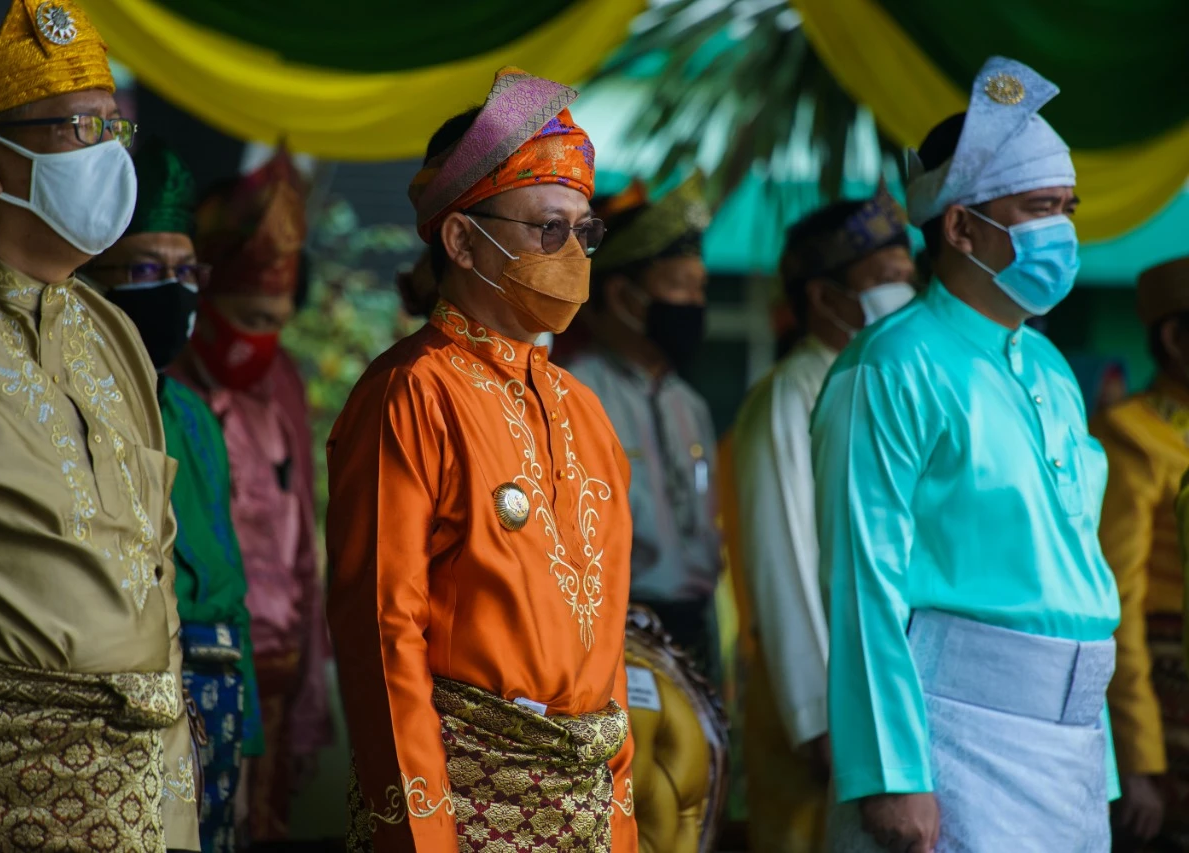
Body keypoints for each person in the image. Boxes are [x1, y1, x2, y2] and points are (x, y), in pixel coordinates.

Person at [0, 1, 199, 850]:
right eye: (81, 127)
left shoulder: (113, 334)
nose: (111, 152)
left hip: (137, 792)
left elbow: (155, 576)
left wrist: (174, 799)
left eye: (115, 126)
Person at [812, 57, 1120, 851]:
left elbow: (1073, 560)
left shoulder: (1050, 366)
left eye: (1068, 208)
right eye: (1039, 208)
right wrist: (891, 775)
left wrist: (1104, 760)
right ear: (961, 227)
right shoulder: (889, 365)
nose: (1064, 230)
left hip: (1073, 750)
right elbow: (861, 577)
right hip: (953, 740)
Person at [327, 67, 638, 852]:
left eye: (583, 230)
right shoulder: (410, 391)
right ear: (462, 239)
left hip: (588, 814)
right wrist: (421, 834)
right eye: (547, 228)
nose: (572, 251)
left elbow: (609, 654)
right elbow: (379, 632)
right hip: (469, 814)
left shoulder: (587, 412)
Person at [85, 138, 265, 853]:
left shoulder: (193, 415)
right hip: (135, 687)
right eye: (149, 269)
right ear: (96, 279)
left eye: (187, 271)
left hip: (220, 685)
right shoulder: (82, 407)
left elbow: (235, 588)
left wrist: (246, 743)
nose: (176, 288)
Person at [731, 188, 915, 853]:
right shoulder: (792, 393)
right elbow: (780, 558)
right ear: (823, 297)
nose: (905, 294)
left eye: (908, 279)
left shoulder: (887, 380)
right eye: (886, 281)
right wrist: (818, 720)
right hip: (819, 714)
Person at [168, 148, 332, 844]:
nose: (259, 336)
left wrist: (310, 686)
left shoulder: (286, 380)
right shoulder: (169, 382)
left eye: (275, 320)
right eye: (245, 313)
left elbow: (303, 541)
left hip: (281, 664)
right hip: (191, 658)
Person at [567, 175, 721, 676]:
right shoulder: (578, 393)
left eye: (701, 289)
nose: (694, 304)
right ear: (623, 296)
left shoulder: (690, 404)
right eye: (678, 286)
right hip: (617, 635)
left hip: (695, 629)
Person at [1094, 257, 1189, 850]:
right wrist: (1139, 760)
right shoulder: (1134, 435)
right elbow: (1115, 605)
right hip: (1169, 715)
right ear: (1177, 339)